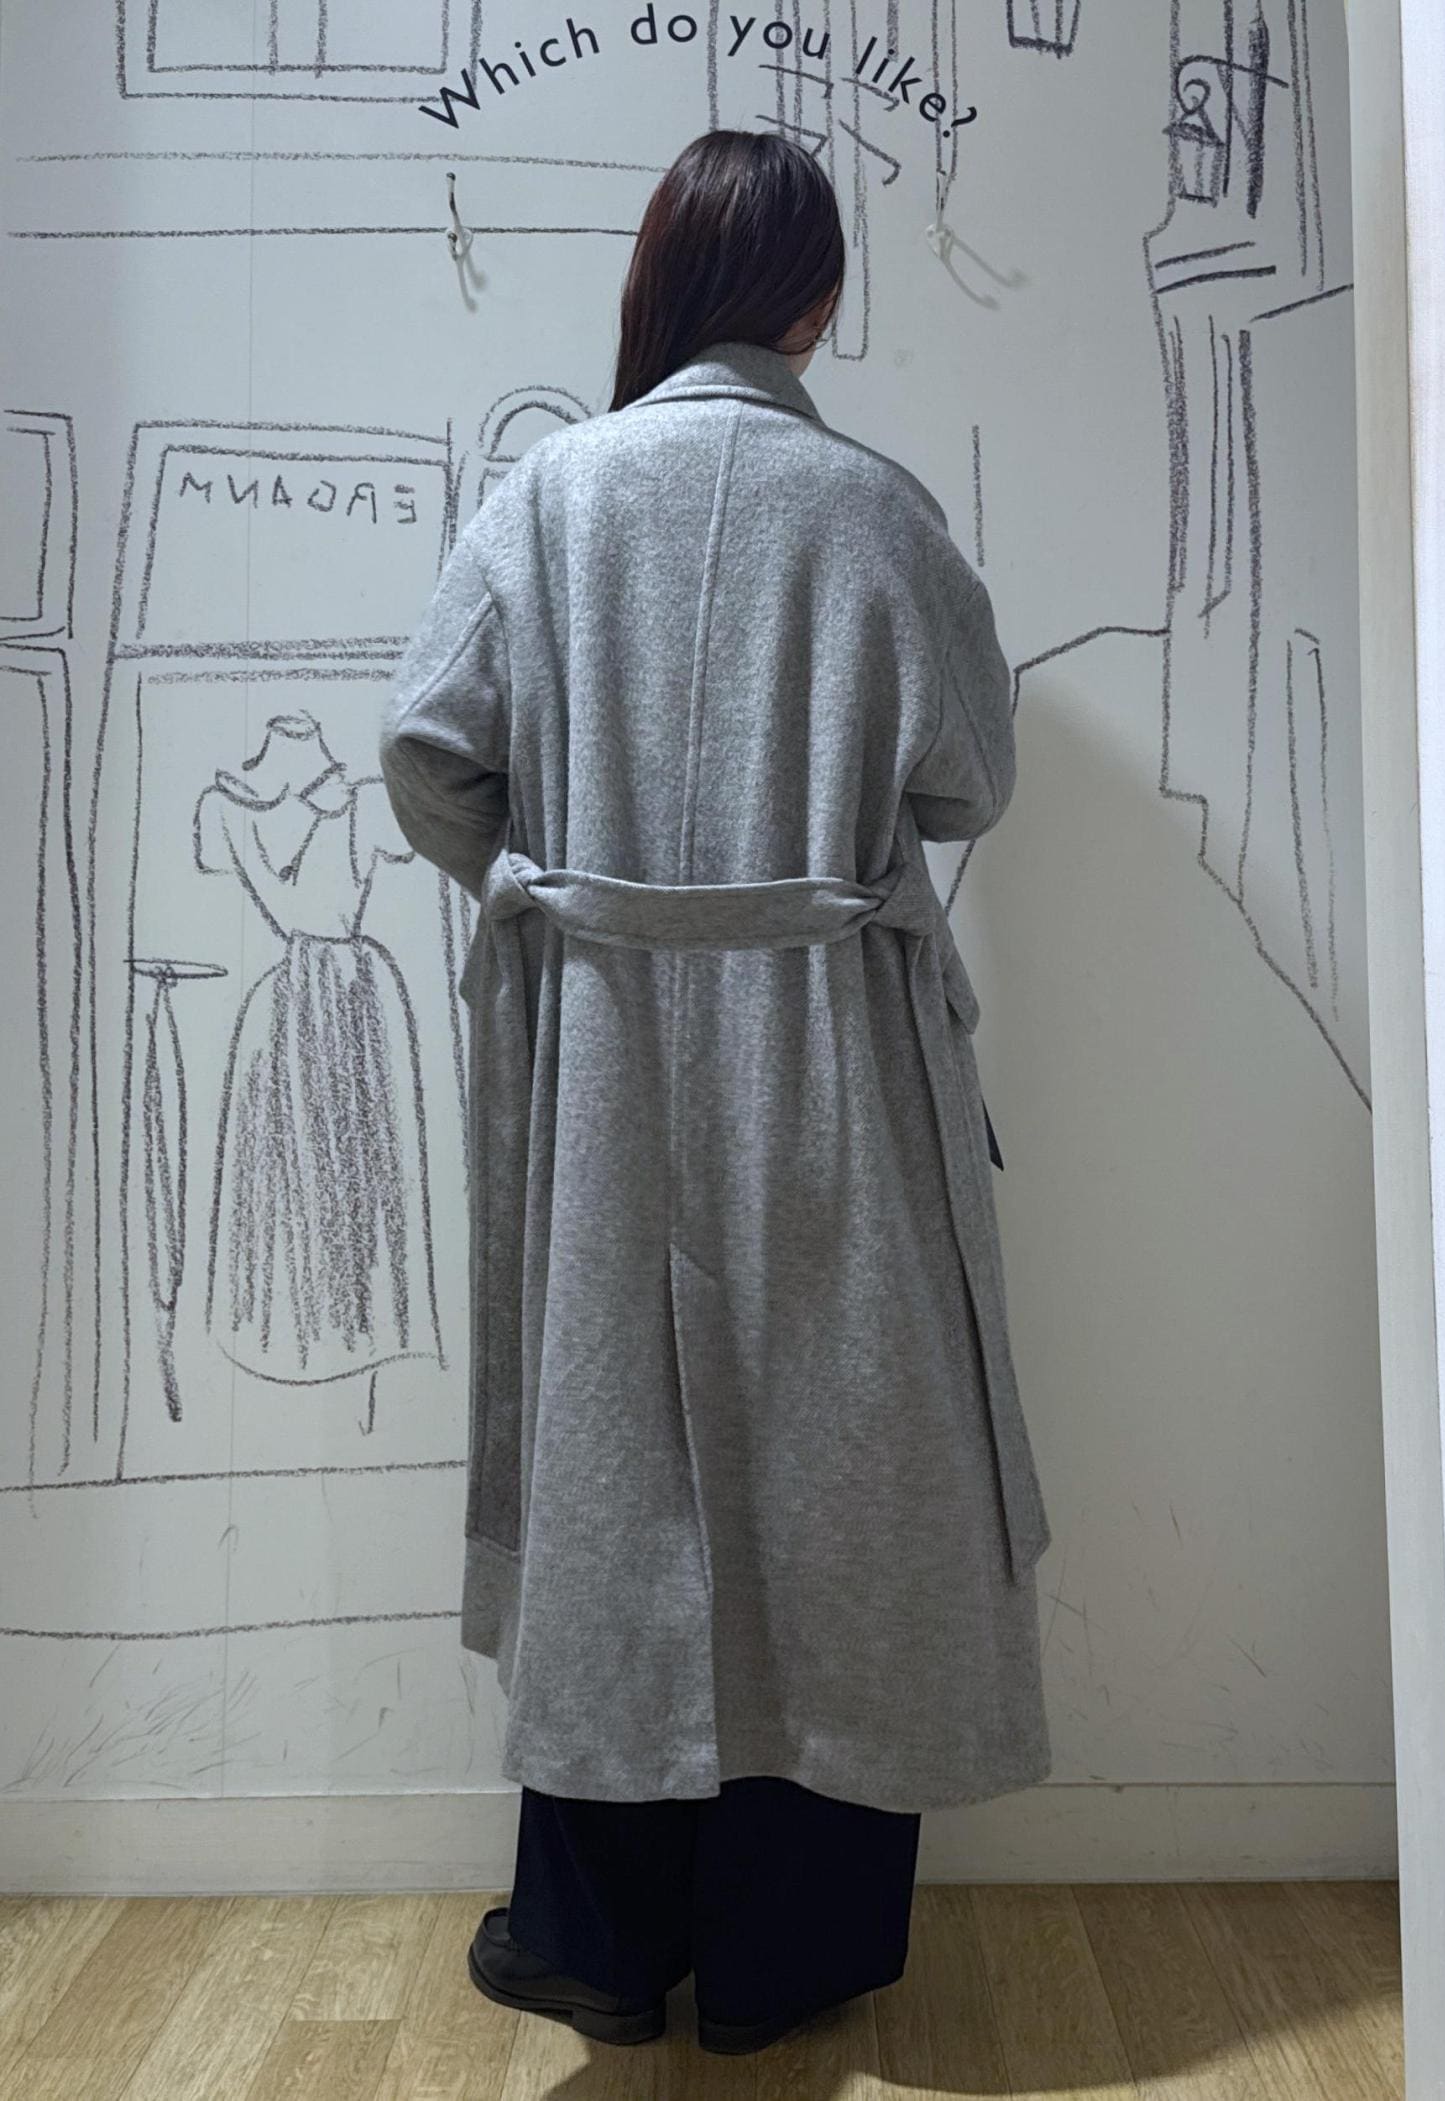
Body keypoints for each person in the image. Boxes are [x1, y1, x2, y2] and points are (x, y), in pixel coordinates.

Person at [379, 127, 1053, 2057]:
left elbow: (430, 753)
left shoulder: (547, 498)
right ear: (817, 300)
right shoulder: (877, 511)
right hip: (826, 1044)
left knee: (613, 1468)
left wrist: (552, 887)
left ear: (658, 282)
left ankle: (597, 1936)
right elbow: (972, 779)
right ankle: (791, 1957)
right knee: (842, 1468)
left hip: (604, 1052)